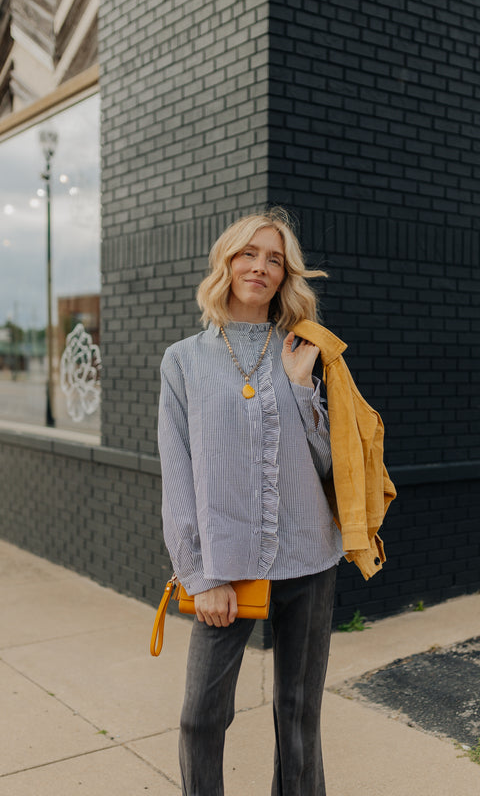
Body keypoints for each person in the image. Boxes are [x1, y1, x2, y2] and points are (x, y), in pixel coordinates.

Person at [158, 208, 344, 795]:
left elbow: (329, 465)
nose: (259, 267)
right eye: (248, 254)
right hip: (226, 566)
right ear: (226, 262)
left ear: (285, 274)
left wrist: (298, 385)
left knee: (298, 717)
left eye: (274, 259)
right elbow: (179, 477)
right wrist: (199, 573)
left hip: (311, 557)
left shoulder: (304, 348)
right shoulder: (184, 360)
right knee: (200, 719)